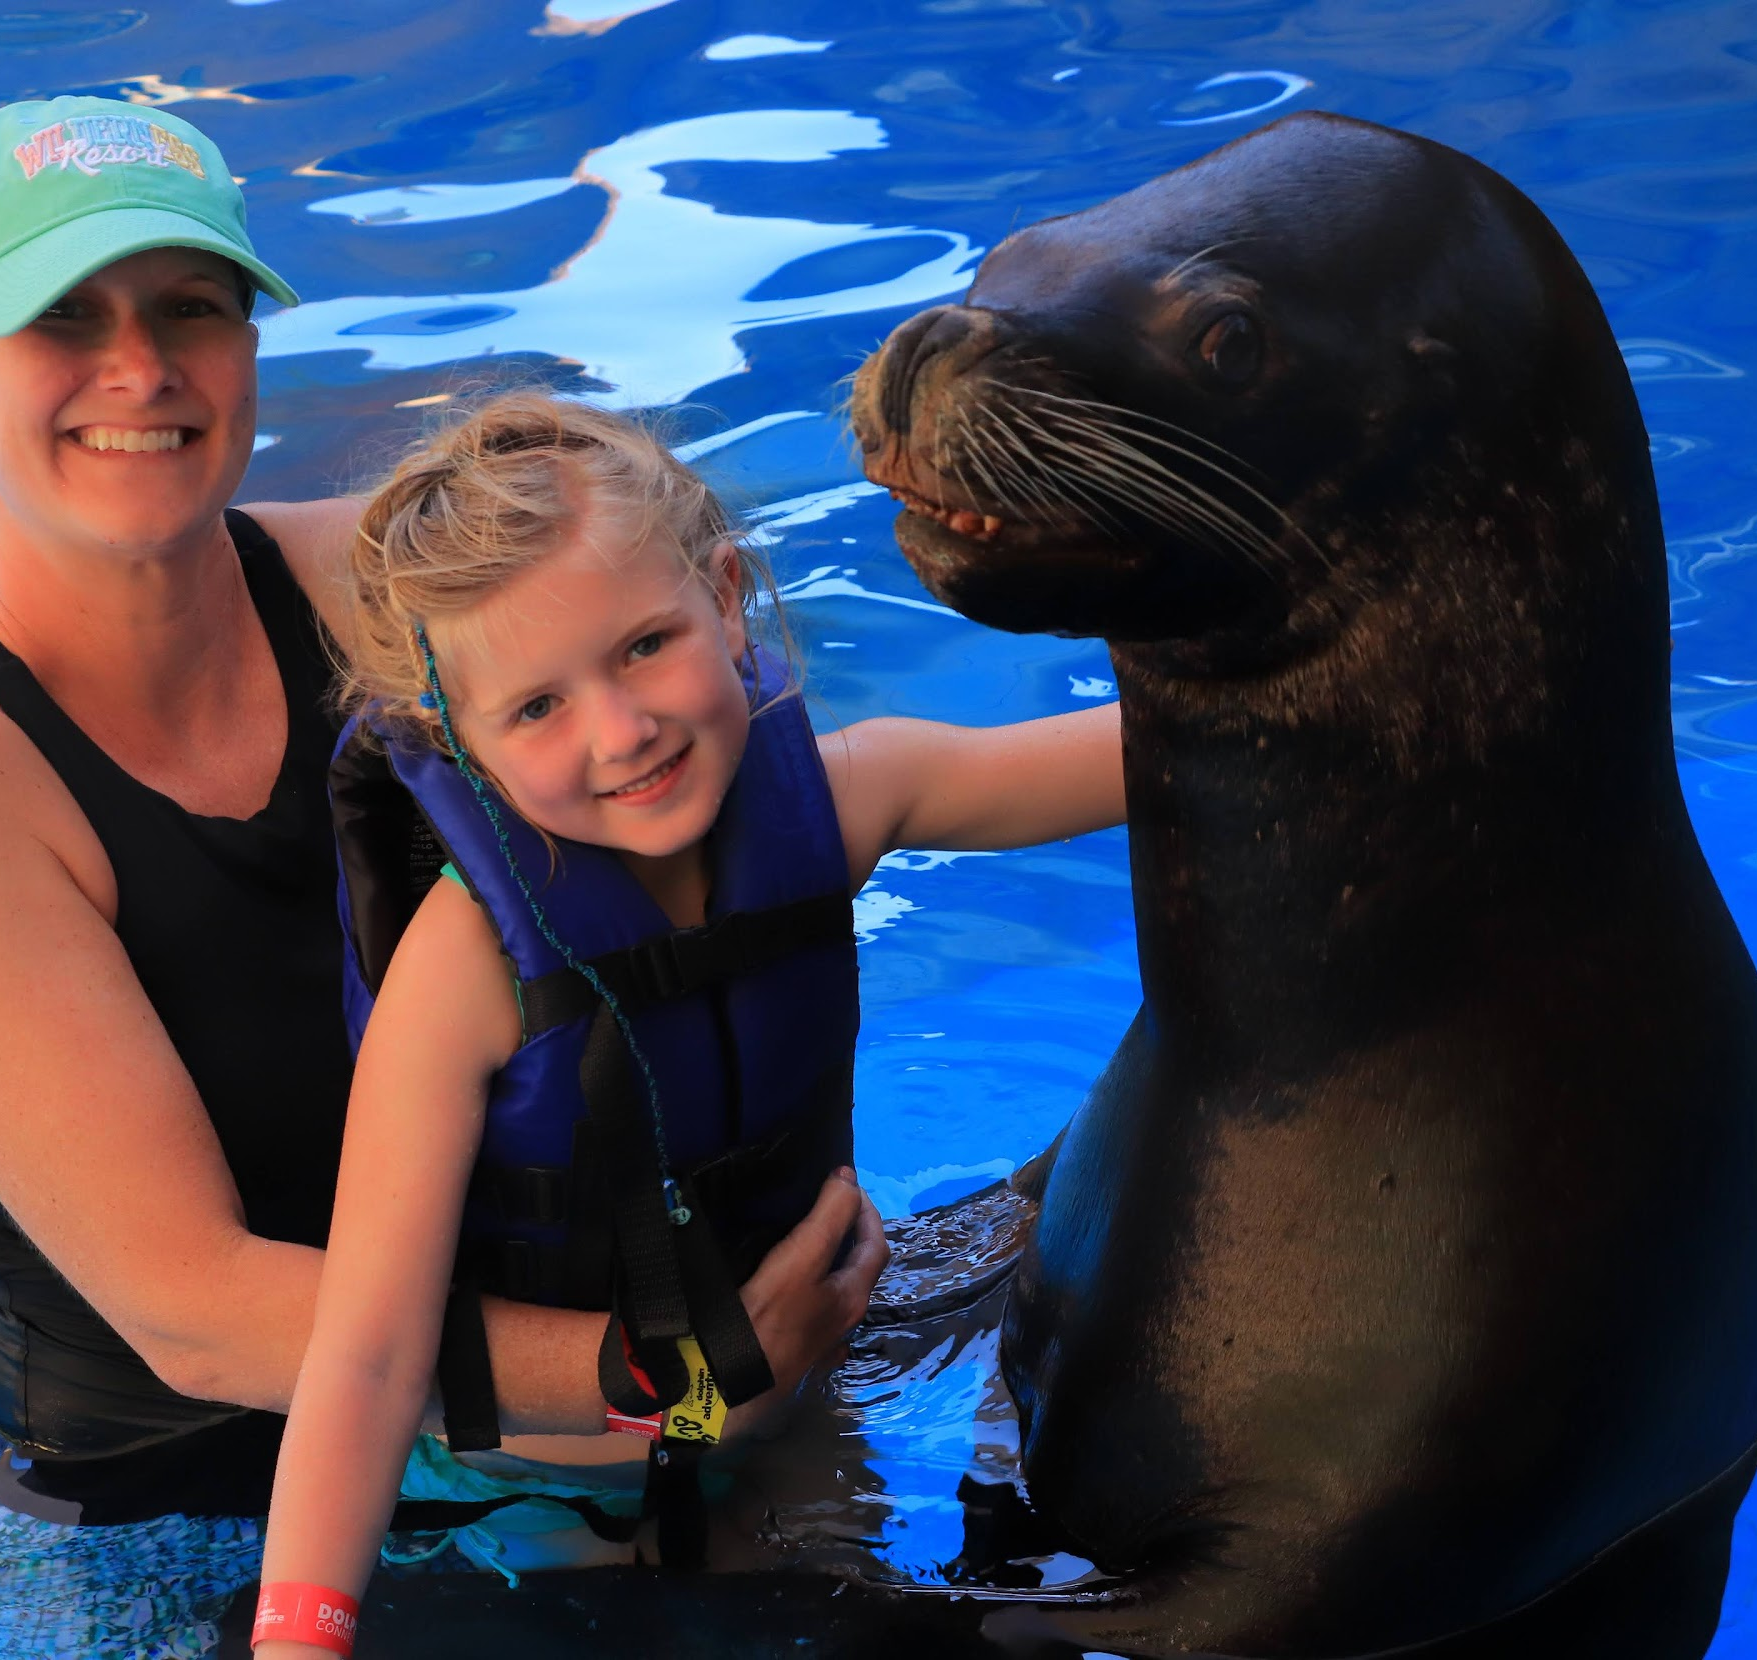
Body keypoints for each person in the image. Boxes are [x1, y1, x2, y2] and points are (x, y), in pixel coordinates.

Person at [0, 98, 885, 1660]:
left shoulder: (383, 594)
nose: (142, 369)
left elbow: (703, 744)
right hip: (153, 1525)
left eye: (193, 307)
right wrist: (667, 1366)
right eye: (64, 320)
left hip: (555, 1431)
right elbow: (192, 1312)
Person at [250, 394, 1126, 1658]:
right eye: (537, 708)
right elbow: (368, 1358)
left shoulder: (846, 799)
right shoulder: (465, 968)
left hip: (797, 1409)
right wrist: (301, 1639)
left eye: (646, 644)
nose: (622, 730)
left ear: (724, 597)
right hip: (547, 1497)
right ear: (458, 740)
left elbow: (1147, 759)